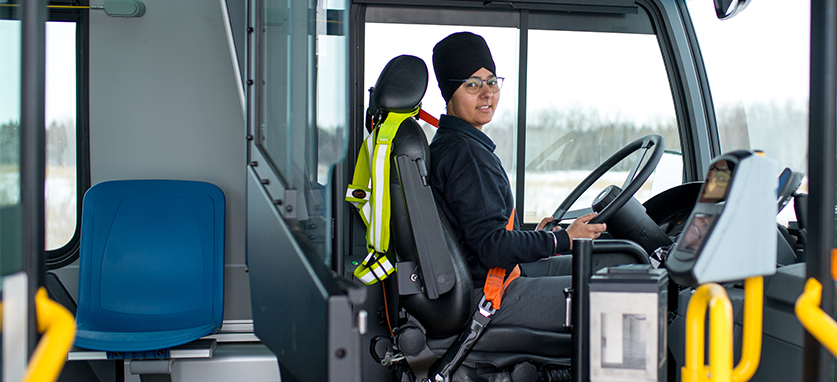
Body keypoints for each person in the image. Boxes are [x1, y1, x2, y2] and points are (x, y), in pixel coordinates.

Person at [429, 32, 606, 331]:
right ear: (449, 93)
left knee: (606, 268)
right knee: (614, 295)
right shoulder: (466, 155)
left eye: (492, 81)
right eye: (472, 84)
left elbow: (482, 232)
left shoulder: (456, 144)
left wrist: (531, 237)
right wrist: (564, 239)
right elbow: (492, 246)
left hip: (491, 279)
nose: (486, 93)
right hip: (488, 296)